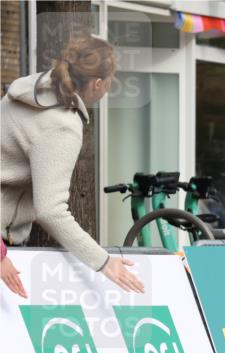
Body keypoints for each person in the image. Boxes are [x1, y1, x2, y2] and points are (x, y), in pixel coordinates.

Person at [1, 35, 144, 294]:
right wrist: (104, 262)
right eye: (110, 80)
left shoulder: (32, 89)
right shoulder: (61, 125)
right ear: (98, 84)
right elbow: (50, 211)